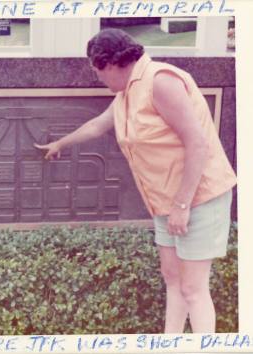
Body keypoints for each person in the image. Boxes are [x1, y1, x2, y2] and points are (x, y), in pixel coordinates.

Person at [34, 28, 236, 333]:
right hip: (166, 200)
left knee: (194, 289)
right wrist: (60, 144)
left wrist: (182, 205)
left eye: (98, 72)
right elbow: (98, 125)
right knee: (173, 279)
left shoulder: (160, 82)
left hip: (198, 197)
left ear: (112, 65)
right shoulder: (128, 90)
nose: (99, 79)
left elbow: (198, 144)